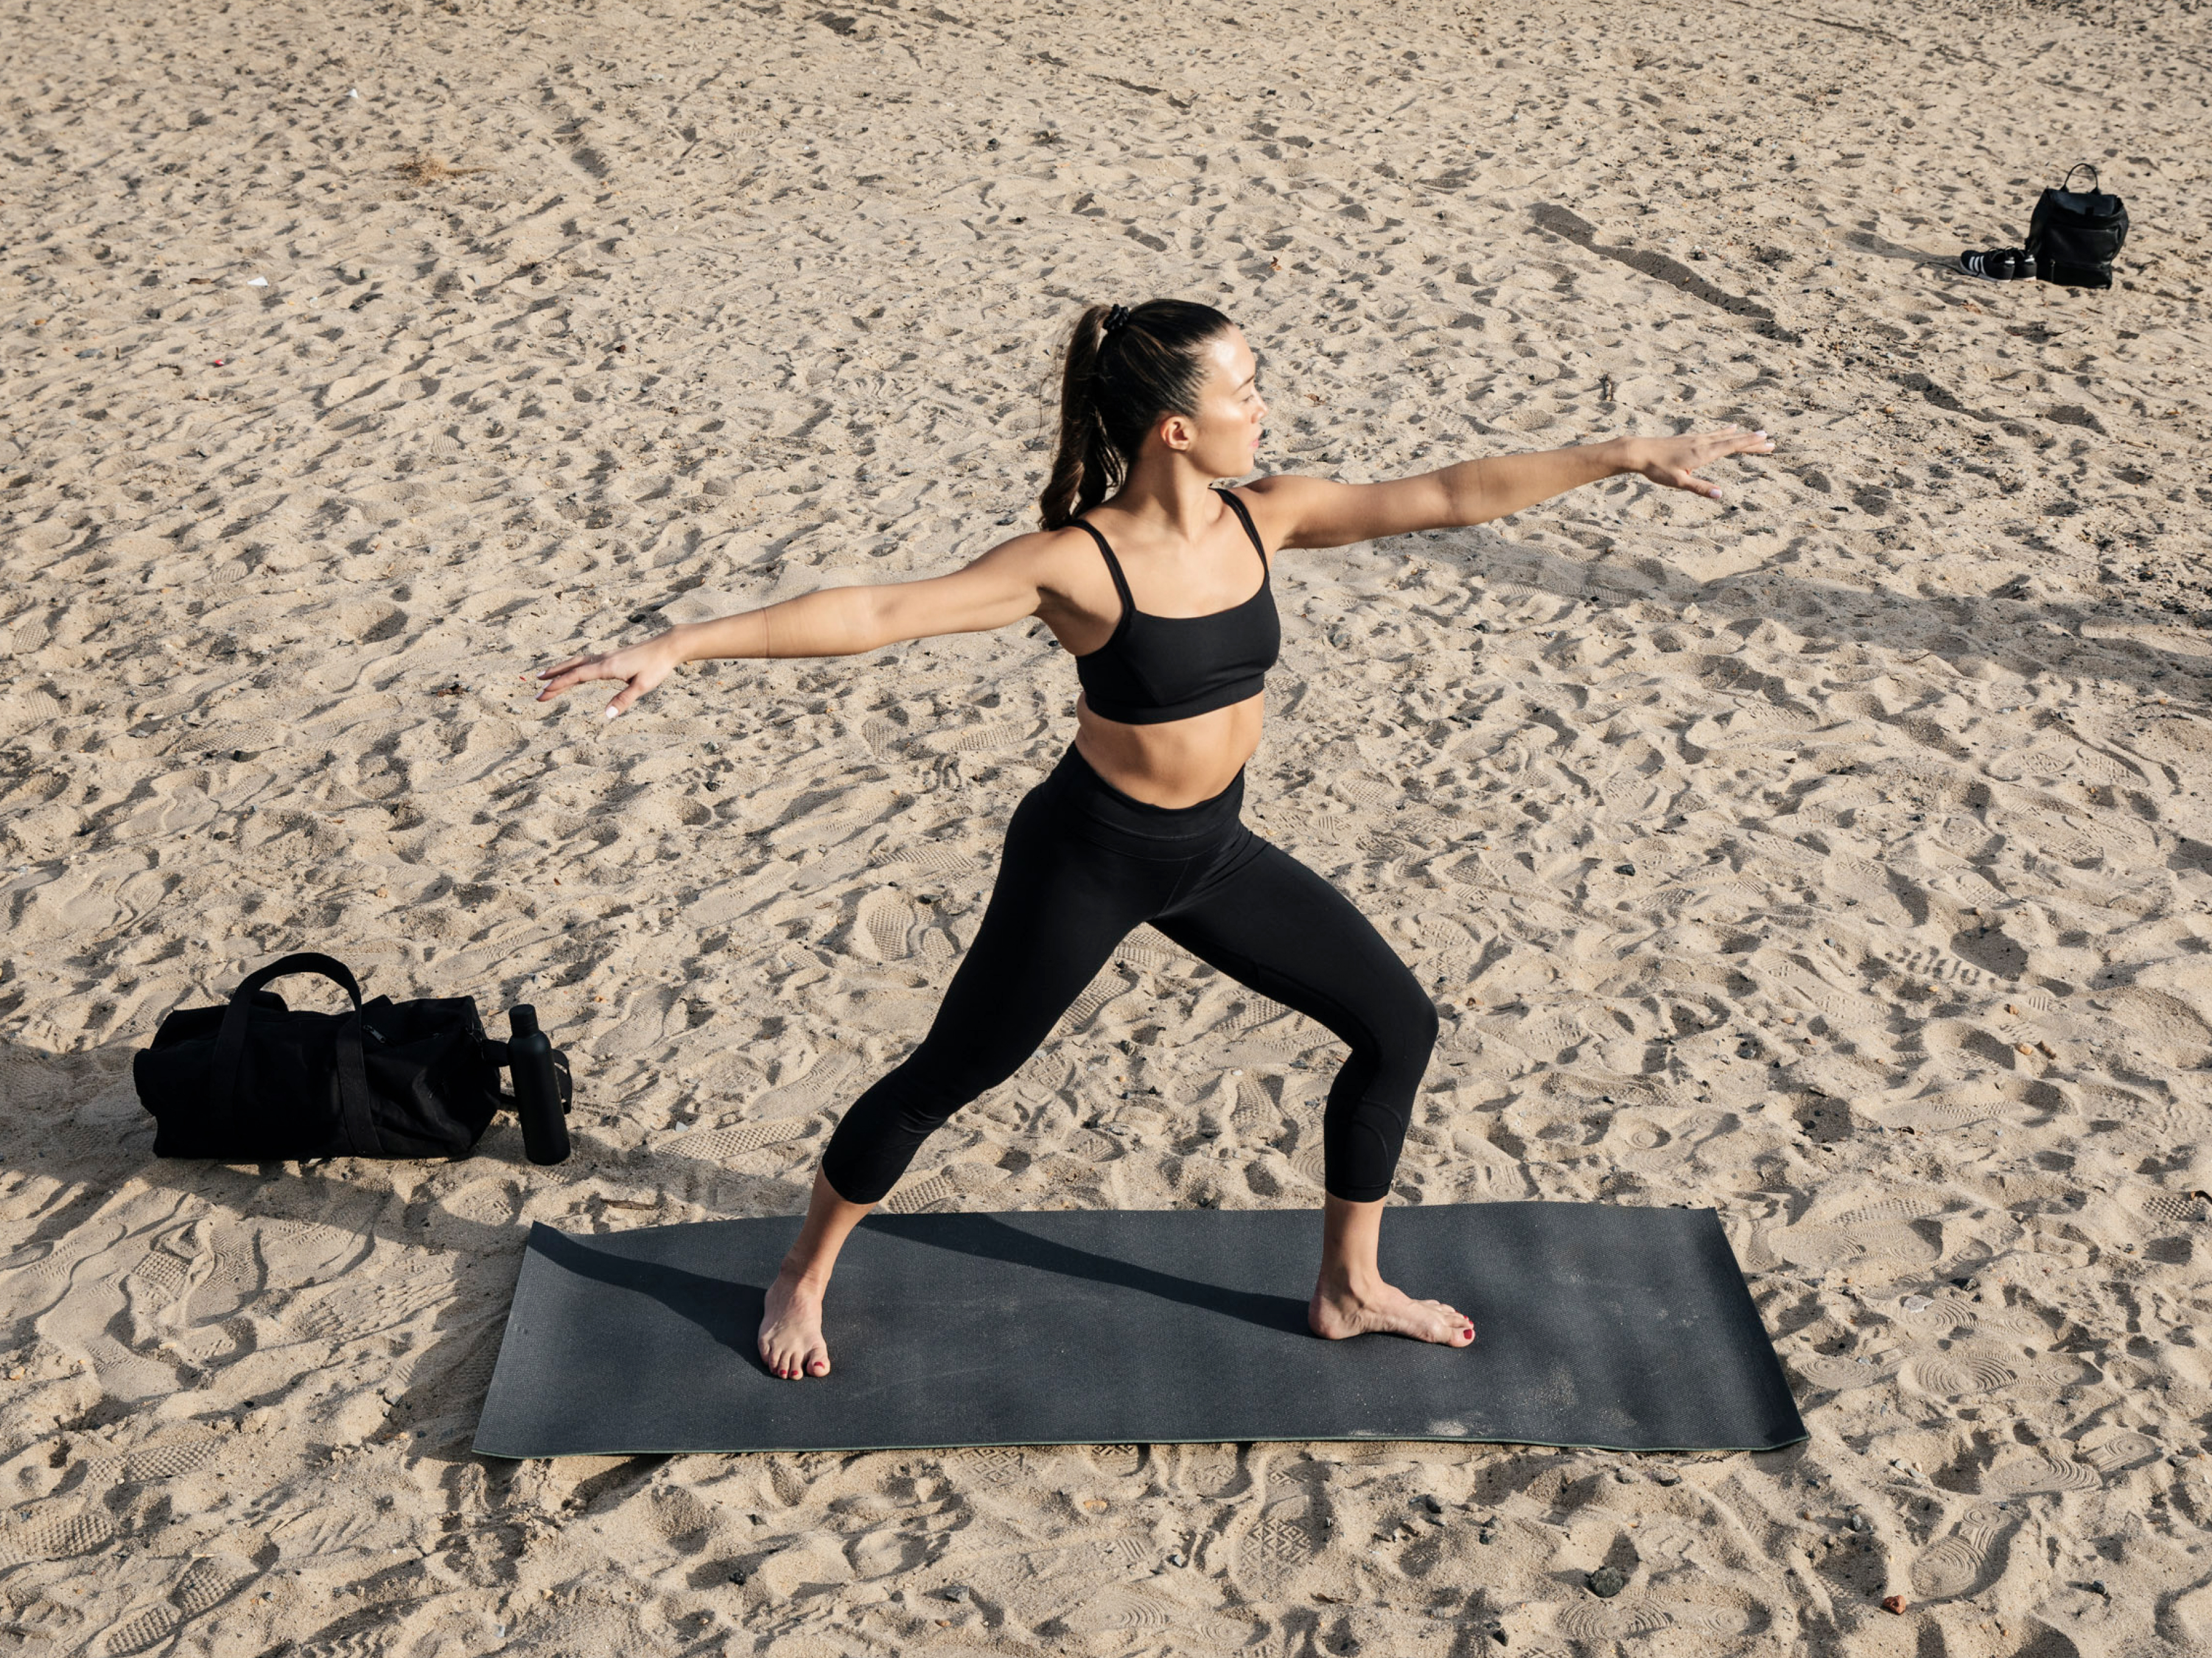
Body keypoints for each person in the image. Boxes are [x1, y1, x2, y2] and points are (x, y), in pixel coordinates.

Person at [531, 299, 1773, 1380]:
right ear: (1175, 428)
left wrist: (1621, 455)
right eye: (1245, 389)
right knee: (950, 1076)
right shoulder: (1075, 566)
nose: (1264, 405)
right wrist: (680, 644)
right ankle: (801, 1271)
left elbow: (1448, 493)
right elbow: (880, 611)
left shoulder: (1262, 517)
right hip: (1093, 853)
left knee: (1395, 1024)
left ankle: (1347, 1287)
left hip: (1213, 853)